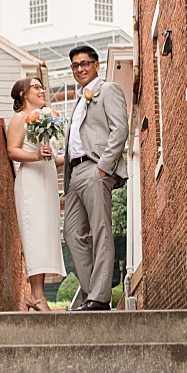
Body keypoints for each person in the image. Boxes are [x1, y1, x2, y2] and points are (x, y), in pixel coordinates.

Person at [61, 45, 128, 312]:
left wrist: (104, 167)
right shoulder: (78, 101)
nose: (80, 68)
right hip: (74, 173)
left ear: (96, 64)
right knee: (71, 234)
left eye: (84, 63)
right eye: (75, 65)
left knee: (100, 230)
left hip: (95, 169)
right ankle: (92, 294)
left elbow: (120, 129)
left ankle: (100, 298)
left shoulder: (108, 90)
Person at [6, 77, 66, 312]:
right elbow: (12, 151)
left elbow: (52, 157)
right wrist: (38, 156)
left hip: (48, 182)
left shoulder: (44, 120)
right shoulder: (19, 119)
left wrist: (75, 154)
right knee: (34, 235)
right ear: (23, 94)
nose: (42, 91)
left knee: (45, 235)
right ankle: (37, 297)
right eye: (36, 87)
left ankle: (37, 296)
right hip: (31, 182)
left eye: (42, 87)